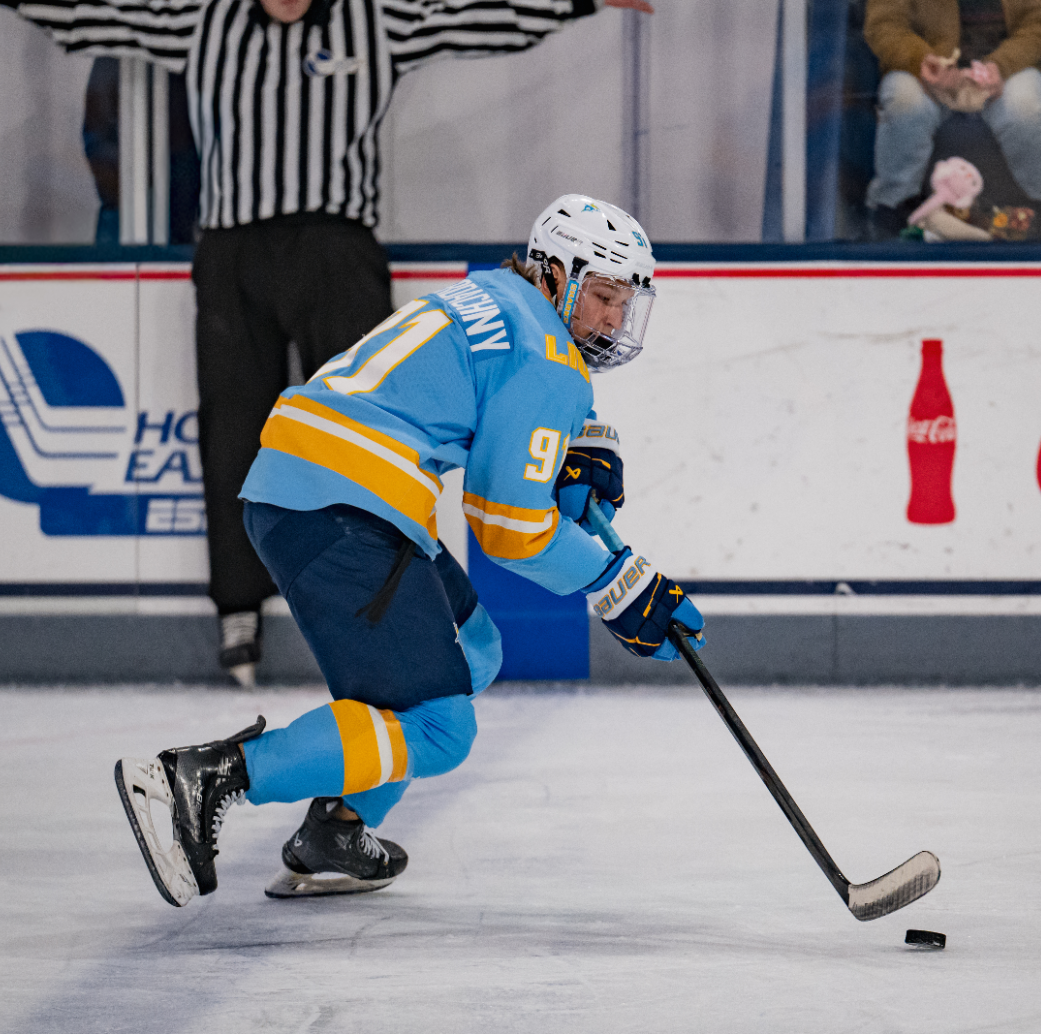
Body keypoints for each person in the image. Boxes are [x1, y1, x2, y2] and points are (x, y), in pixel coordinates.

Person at [0, 0, 673, 686]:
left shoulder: (369, 24)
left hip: (335, 251)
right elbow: (105, 20)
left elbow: (474, 21)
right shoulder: (207, 28)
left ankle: (388, 606)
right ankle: (237, 610)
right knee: (233, 426)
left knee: (377, 436)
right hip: (233, 253)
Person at [113, 194, 706, 906]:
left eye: (625, 302)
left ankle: (338, 826)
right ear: (554, 275)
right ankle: (209, 775)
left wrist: (574, 442)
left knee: (473, 644)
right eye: (603, 295)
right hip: (343, 507)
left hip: (307, 485)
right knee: (440, 727)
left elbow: (489, 394)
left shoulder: (494, 293)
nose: (613, 318)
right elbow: (509, 528)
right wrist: (617, 581)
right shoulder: (550, 358)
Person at [864, 0, 1041, 238]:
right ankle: (891, 212)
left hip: (1005, 68)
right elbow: (883, 23)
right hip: (934, 71)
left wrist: (1000, 66)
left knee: (1027, 109)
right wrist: (921, 60)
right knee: (903, 100)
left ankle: (1039, 206)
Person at [82, 0, 227, 246]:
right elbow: (99, 129)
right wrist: (131, 194)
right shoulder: (130, 26)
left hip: (219, 220)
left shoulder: (240, 29)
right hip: (134, 214)